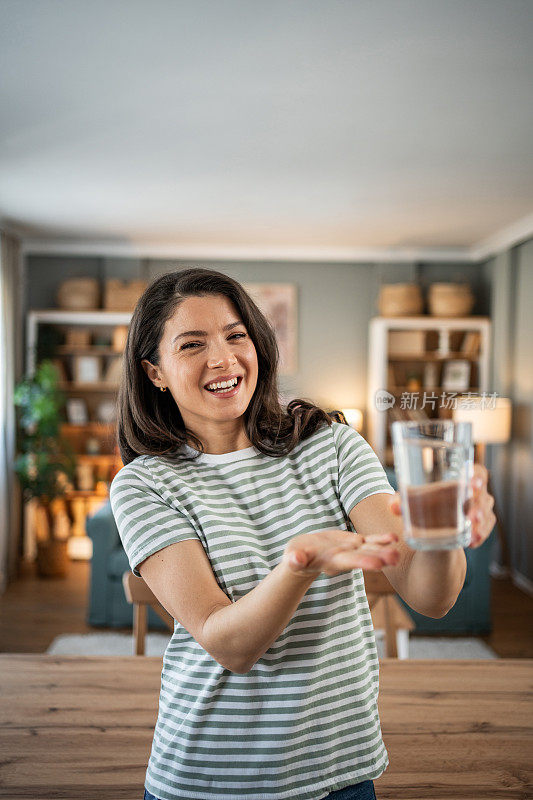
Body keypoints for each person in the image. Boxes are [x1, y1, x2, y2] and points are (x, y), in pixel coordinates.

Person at [110, 267, 496, 800]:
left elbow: (431, 597)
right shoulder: (144, 484)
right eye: (192, 344)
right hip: (210, 779)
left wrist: (443, 526)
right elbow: (230, 645)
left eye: (235, 335)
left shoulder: (331, 445)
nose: (222, 358)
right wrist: (301, 565)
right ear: (154, 371)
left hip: (341, 772)